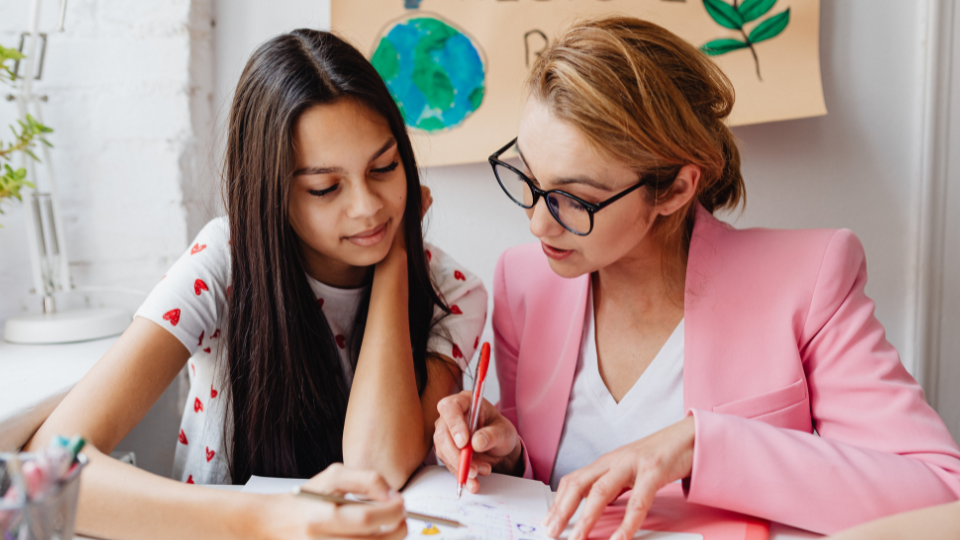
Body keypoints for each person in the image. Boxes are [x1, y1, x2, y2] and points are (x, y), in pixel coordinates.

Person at [433, 15, 960, 540]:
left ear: (675, 190)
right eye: (528, 177)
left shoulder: (809, 278)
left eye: (576, 199)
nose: (537, 221)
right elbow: (549, 482)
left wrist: (698, 446)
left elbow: (940, 494)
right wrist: (507, 454)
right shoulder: (526, 280)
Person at [25, 29, 486, 540]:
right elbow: (46, 471)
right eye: (325, 187)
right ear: (272, 191)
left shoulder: (453, 291)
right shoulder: (224, 262)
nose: (368, 207)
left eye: (384, 167)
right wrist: (270, 518)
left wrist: (396, 260)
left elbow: (379, 462)